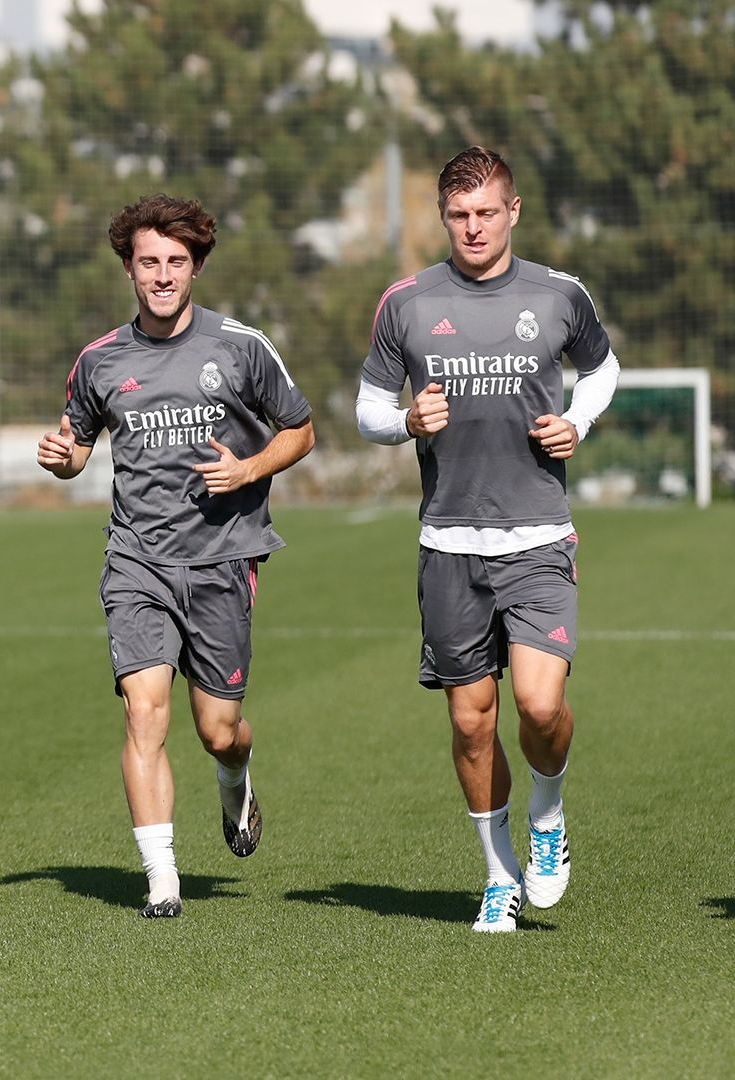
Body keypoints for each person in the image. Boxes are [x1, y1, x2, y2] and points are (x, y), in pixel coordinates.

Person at [355, 146, 618, 932]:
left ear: (514, 211)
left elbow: (602, 370)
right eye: (459, 215)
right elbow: (367, 405)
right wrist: (405, 422)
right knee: (471, 721)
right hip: (449, 543)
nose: (473, 227)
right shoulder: (406, 301)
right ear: (444, 217)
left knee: (539, 705)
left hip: (538, 534)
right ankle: (498, 874)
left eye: (486, 212)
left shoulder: (560, 293)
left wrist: (577, 419)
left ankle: (548, 814)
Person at [37, 194, 314, 918]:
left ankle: (237, 776)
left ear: (196, 268)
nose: (162, 275)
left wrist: (248, 471)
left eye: (176, 262)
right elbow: (76, 450)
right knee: (143, 712)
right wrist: (62, 458)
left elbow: (301, 430)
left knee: (217, 728)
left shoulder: (241, 346)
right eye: (149, 262)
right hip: (138, 561)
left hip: (224, 558)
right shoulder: (100, 360)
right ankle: (162, 877)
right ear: (129, 268)